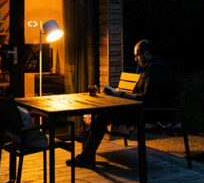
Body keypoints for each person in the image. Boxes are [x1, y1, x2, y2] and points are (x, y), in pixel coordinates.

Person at [68, 39, 175, 167]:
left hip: (150, 113)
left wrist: (122, 95)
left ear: (146, 53)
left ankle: (86, 156)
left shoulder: (156, 69)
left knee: (103, 115)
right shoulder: (150, 67)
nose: (136, 59)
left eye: (137, 55)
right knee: (99, 113)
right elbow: (143, 95)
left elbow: (147, 98)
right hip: (142, 109)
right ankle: (87, 153)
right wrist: (119, 93)